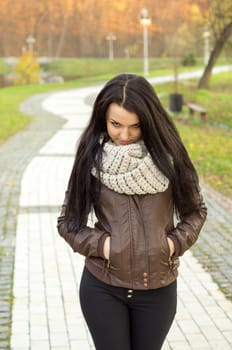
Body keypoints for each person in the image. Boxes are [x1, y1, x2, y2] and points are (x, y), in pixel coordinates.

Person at [57, 73, 207, 350]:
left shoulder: (169, 157)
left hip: (158, 290)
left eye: (134, 126)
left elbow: (195, 212)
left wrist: (172, 244)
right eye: (116, 124)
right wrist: (104, 246)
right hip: (103, 286)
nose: (124, 135)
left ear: (149, 122)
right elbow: (68, 222)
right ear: (103, 117)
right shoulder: (91, 157)